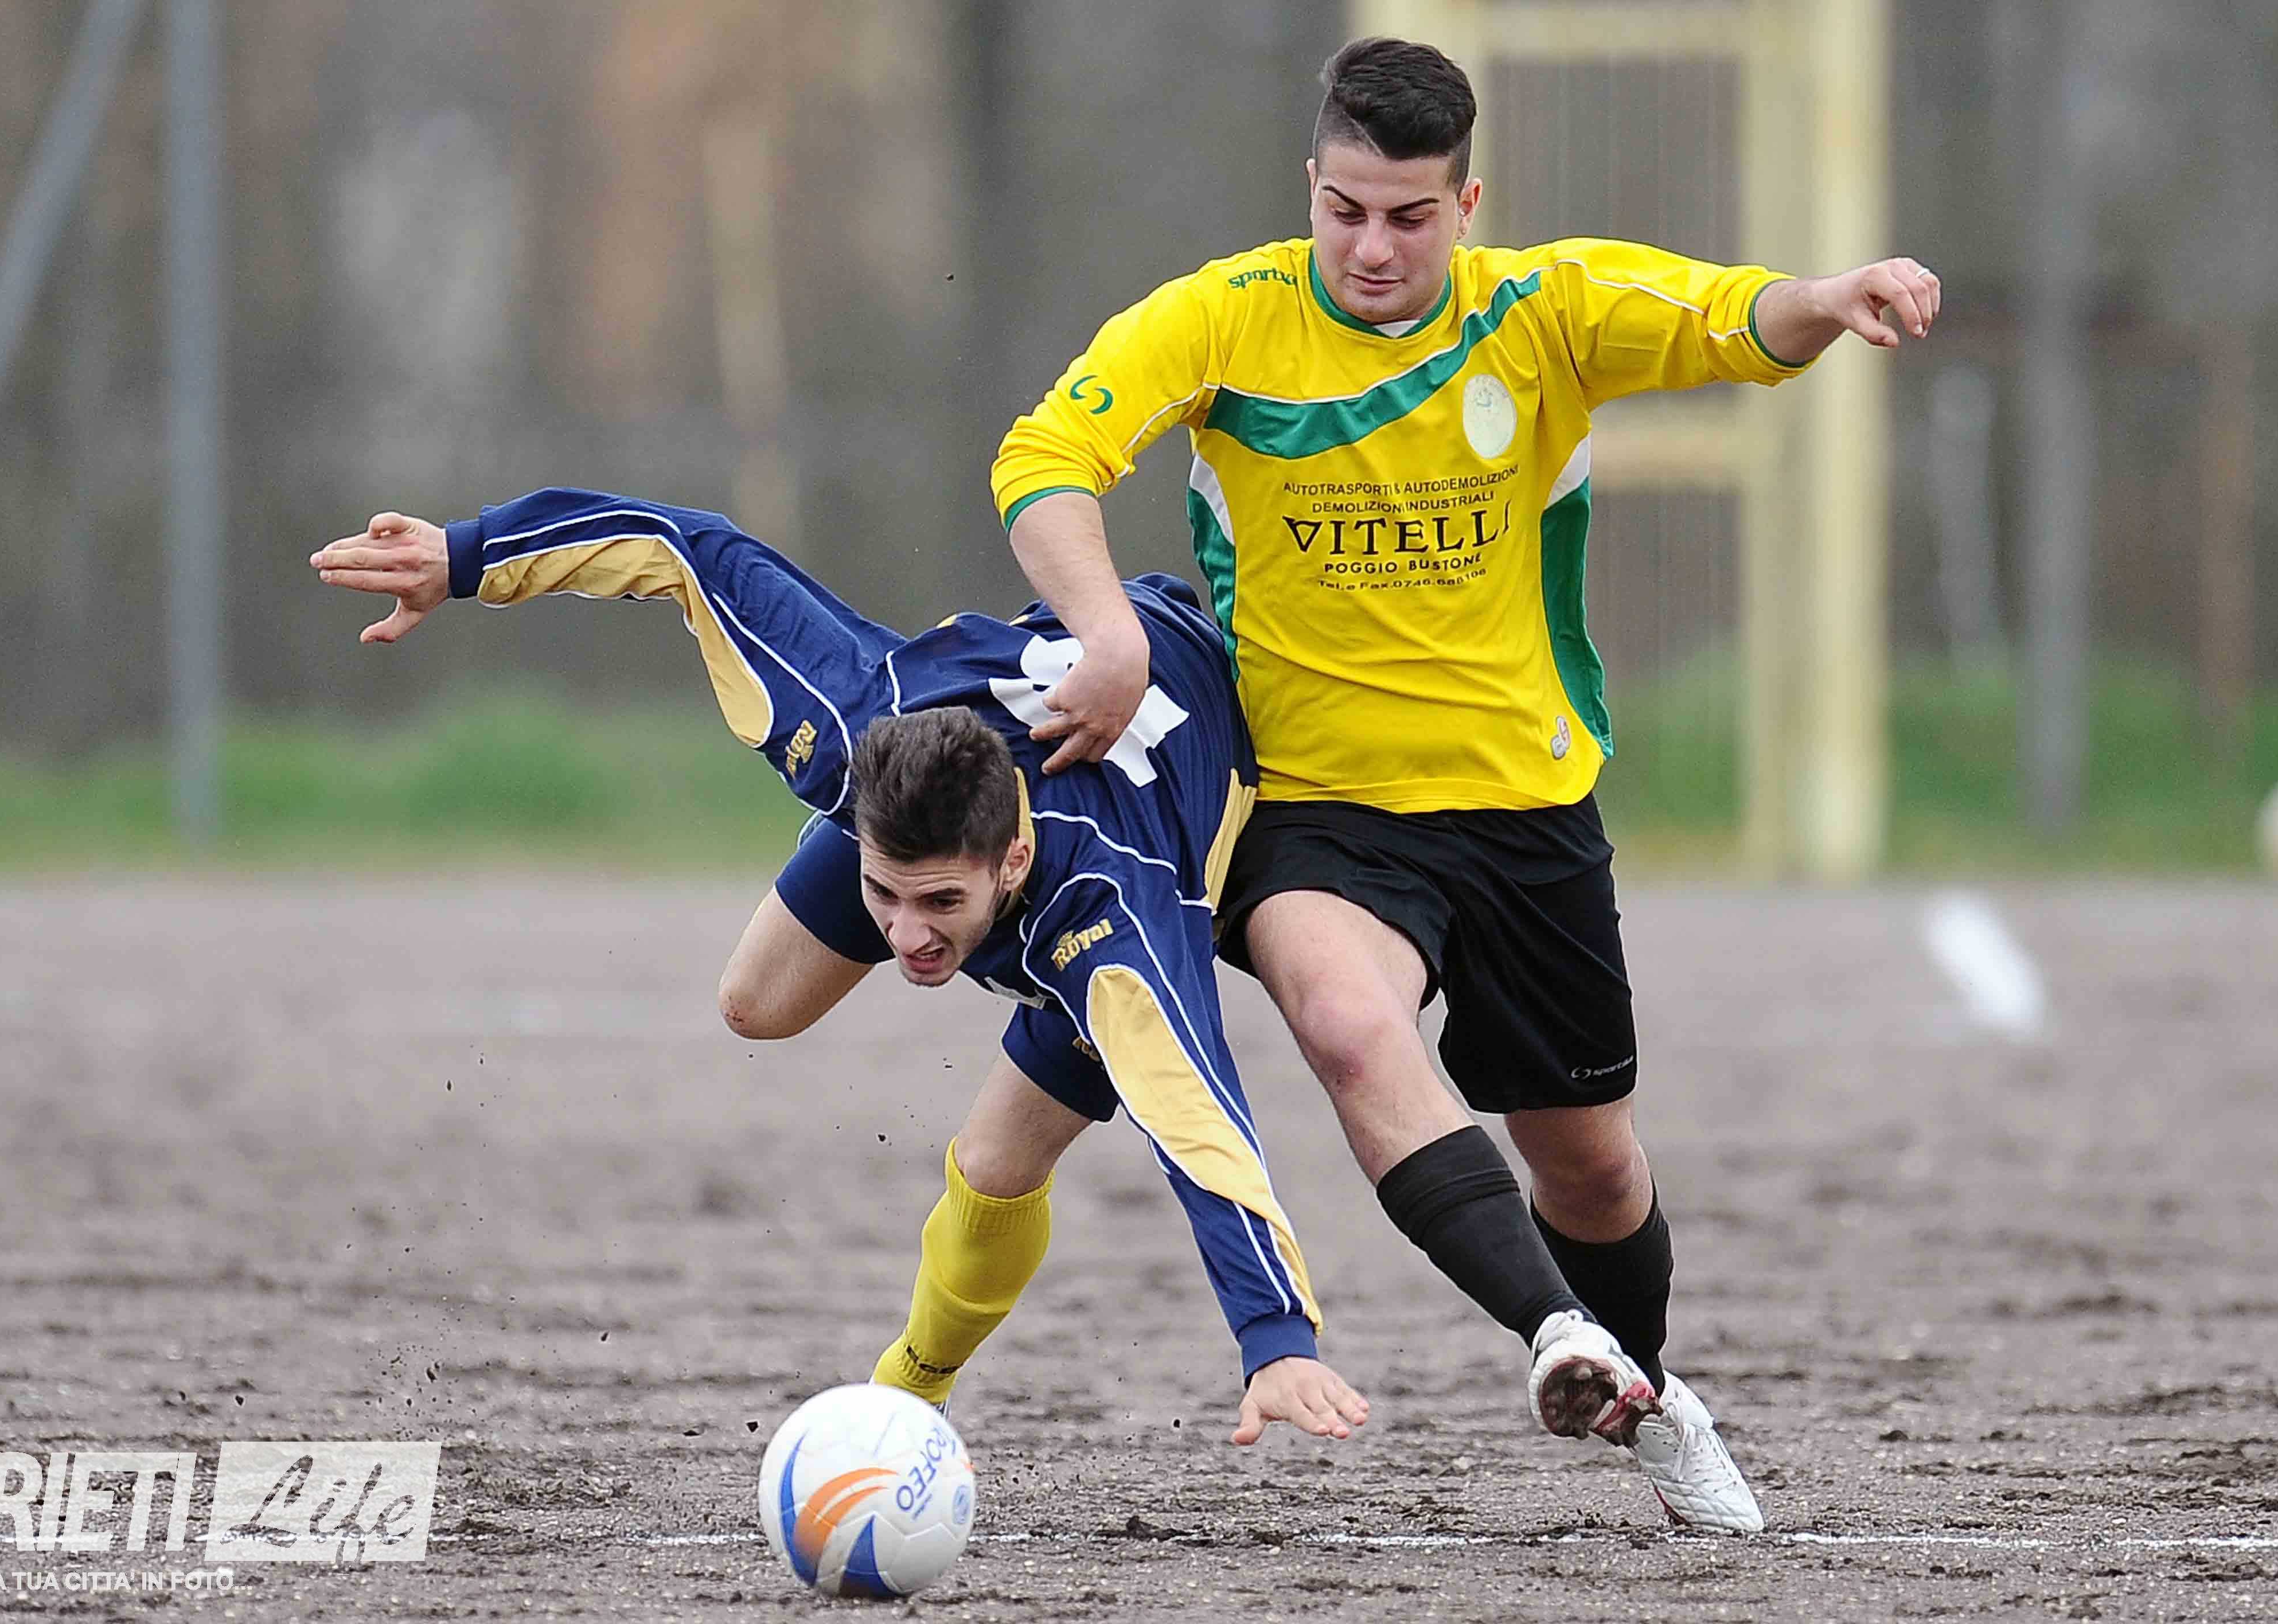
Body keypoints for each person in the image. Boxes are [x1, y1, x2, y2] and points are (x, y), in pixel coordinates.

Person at [986, 37, 1941, 1532]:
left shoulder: (1540, 313)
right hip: (1317, 814)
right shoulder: (1223, 320)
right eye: (1345, 211)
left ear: (1467, 205)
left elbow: (1727, 317)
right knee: (1345, 1023)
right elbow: (1045, 456)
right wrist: (1108, 631)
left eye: (1409, 217)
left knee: (1595, 1171)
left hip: (1523, 810)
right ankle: (1554, 1333)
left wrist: (1829, 297)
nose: (1372, 248)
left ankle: (1644, 1390)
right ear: (1312, 187)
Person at [310, 487, 1370, 1447]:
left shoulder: (1121, 923)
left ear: (1008, 862)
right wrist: (465, 557)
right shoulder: (849, 720)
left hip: (1154, 788)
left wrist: (1275, 1338)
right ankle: (910, 868)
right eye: (885, 895)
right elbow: (687, 548)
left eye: (939, 904)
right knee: (755, 1002)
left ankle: (904, 1395)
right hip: (980, 737)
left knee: (997, 1164)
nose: (907, 938)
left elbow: (1200, 1125)